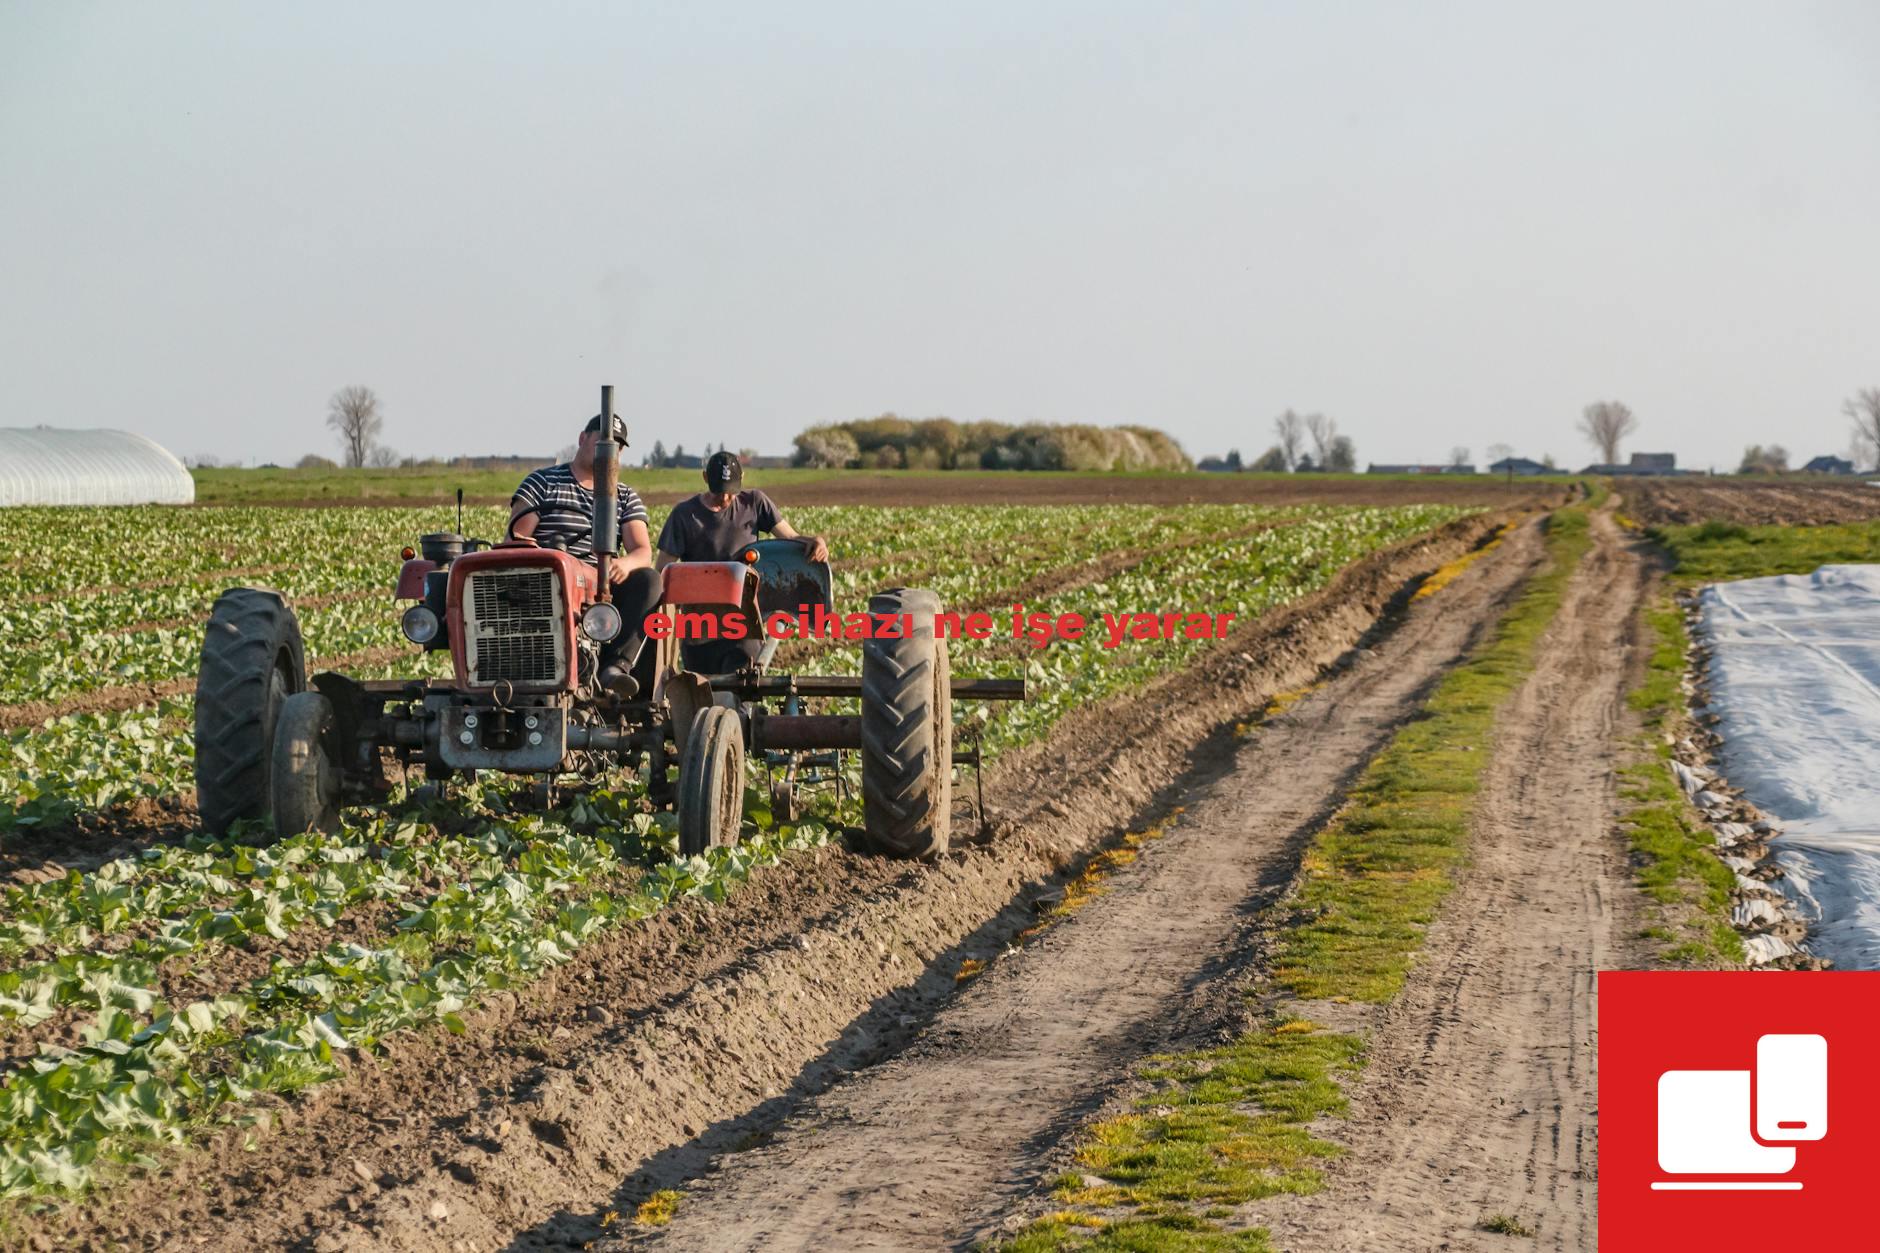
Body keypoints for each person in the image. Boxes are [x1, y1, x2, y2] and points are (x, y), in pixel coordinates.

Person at [509, 412, 660, 695]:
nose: (608, 452)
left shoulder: (624, 496)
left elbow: (642, 551)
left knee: (649, 581)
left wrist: (625, 563)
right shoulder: (542, 482)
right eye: (602, 442)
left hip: (598, 585)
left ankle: (614, 666)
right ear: (582, 439)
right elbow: (516, 540)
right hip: (545, 578)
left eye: (616, 447)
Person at [656, 451, 828, 673]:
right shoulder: (684, 515)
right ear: (705, 478)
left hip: (743, 623)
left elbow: (791, 539)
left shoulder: (755, 503)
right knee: (702, 686)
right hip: (699, 626)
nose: (725, 498)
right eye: (719, 491)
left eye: (731, 492)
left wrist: (815, 542)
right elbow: (663, 570)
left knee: (744, 685)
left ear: (742, 479)